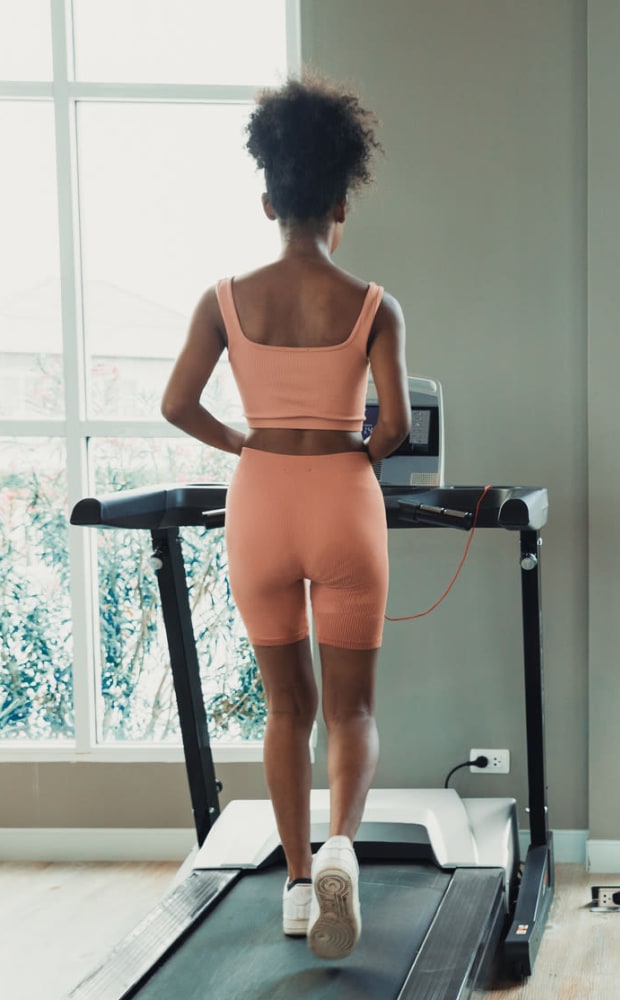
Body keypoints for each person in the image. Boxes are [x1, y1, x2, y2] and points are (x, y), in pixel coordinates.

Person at [161, 72, 410, 961]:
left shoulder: (223, 300)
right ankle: (343, 842)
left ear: (268, 197)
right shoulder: (374, 304)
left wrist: (244, 446)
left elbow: (177, 405)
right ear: (341, 202)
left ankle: (300, 889)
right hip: (343, 499)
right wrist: (354, 459)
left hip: (259, 500)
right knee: (353, 713)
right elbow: (395, 426)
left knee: (284, 711)